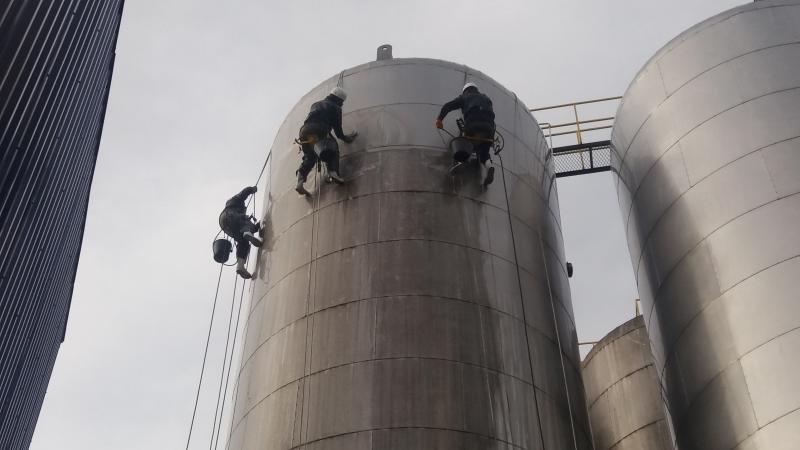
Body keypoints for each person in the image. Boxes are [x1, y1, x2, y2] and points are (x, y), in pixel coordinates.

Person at [295, 86, 358, 195]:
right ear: (339, 99)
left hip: (304, 132)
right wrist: (347, 138)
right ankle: (333, 172)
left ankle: (300, 182)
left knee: (310, 157)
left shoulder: (316, 104)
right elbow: (338, 130)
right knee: (333, 148)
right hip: (319, 129)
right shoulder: (335, 108)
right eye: (342, 101)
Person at [435, 82, 496, 186]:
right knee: (484, 152)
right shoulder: (486, 98)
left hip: (473, 125)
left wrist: (440, 119)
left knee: (463, 141)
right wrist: (492, 139)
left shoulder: (466, 97)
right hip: (489, 130)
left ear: (465, 91)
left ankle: (462, 162)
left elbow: (448, 106)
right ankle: (489, 167)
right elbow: (490, 115)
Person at [218, 186, 263, 279]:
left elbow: (253, 228)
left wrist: (257, 226)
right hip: (230, 216)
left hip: (226, 225)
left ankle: (240, 266)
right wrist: (251, 189)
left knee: (243, 242)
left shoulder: (236, 210)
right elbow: (243, 193)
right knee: (245, 222)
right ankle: (247, 233)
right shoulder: (235, 201)